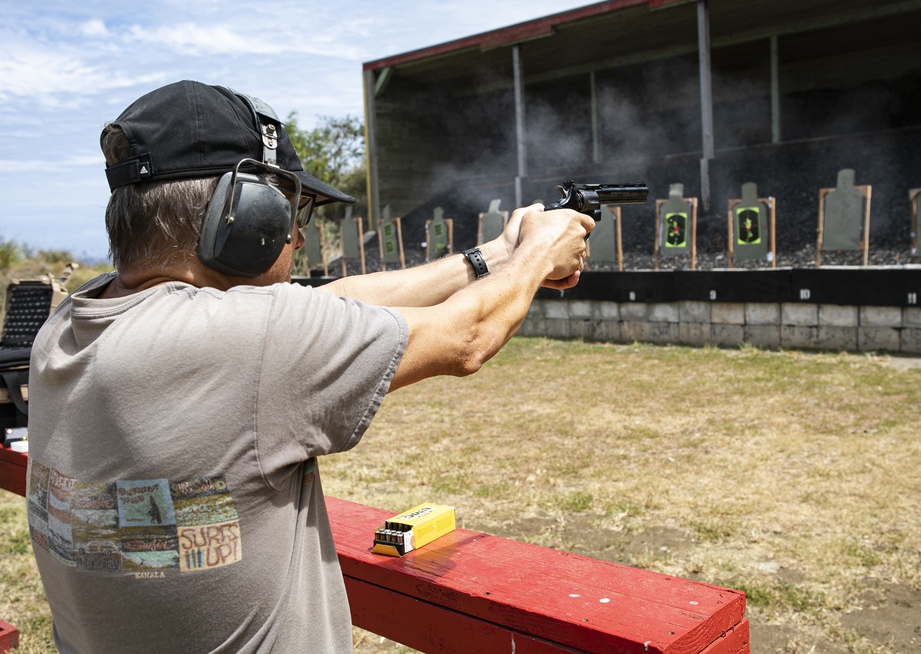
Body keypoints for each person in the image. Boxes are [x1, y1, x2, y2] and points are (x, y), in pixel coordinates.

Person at [25, 80, 593, 653]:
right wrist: (539, 252)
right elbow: (466, 336)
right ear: (242, 217)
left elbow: (331, 301)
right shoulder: (247, 340)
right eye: (289, 211)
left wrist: (493, 256)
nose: (296, 235)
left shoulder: (69, 325)